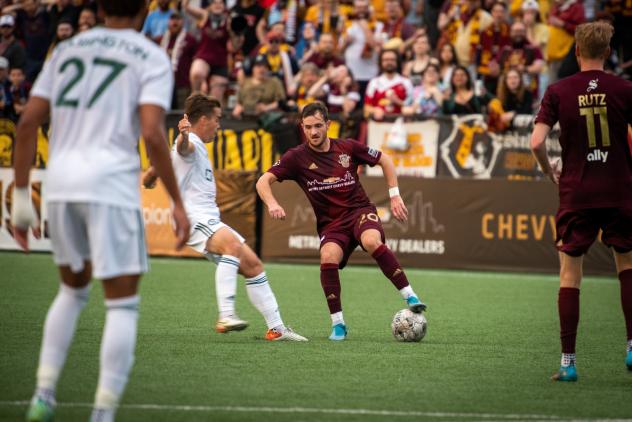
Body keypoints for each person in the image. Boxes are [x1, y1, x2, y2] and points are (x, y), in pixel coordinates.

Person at [11, 1, 190, 421]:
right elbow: (151, 131)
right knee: (121, 306)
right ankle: (103, 413)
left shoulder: (68, 49)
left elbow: (27, 124)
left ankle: (43, 394)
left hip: (61, 185)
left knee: (71, 292)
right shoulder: (150, 55)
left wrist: (21, 201)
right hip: (109, 185)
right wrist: (177, 203)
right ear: (146, 7)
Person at [256, 101, 427, 341]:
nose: (313, 132)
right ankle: (338, 324)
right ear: (302, 128)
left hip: (359, 211)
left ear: (328, 124)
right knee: (328, 257)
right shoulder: (296, 157)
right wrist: (272, 203)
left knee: (371, 240)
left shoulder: (347, 147)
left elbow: (385, 160)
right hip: (331, 224)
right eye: (307, 127)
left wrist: (394, 195)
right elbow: (262, 182)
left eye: (317, 126)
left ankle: (410, 295)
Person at [143, 93, 308, 342]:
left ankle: (277, 328)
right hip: (193, 217)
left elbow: (163, 162)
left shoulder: (192, 146)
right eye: (217, 119)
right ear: (203, 120)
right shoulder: (191, 142)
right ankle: (226, 314)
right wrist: (185, 135)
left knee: (253, 266)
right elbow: (182, 146)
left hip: (207, 219)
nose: (219, 125)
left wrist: (151, 176)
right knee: (231, 244)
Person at [530, 21, 632, 382]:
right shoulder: (625, 88)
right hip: (620, 189)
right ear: (607, 52)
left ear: (576, 51)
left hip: (577, 192)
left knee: (570, 276)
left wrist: (547, 171)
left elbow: (536, 143)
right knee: (627, 267)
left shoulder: (558, 90)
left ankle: (568, 362)